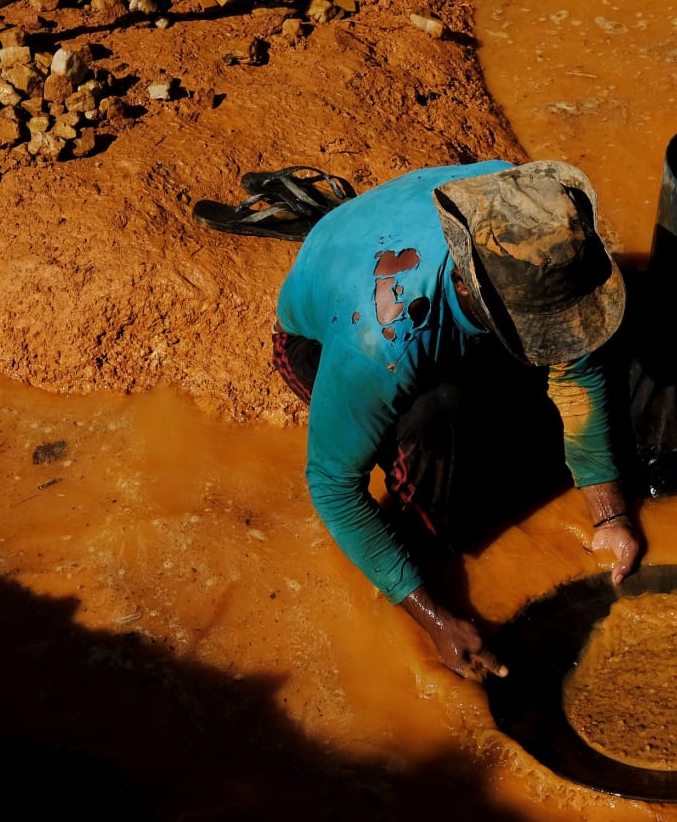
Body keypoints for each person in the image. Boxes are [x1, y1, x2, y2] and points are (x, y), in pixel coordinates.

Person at [271, 159, 643, 680]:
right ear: (472, 291)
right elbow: (333, 485)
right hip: (325, 339)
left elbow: (577, 378)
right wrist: (435, 619)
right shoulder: (380, 345)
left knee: (623, 336)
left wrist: (610, 516)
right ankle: (424, 542)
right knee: (434, 423)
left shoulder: (527, 219)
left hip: (433, 301)